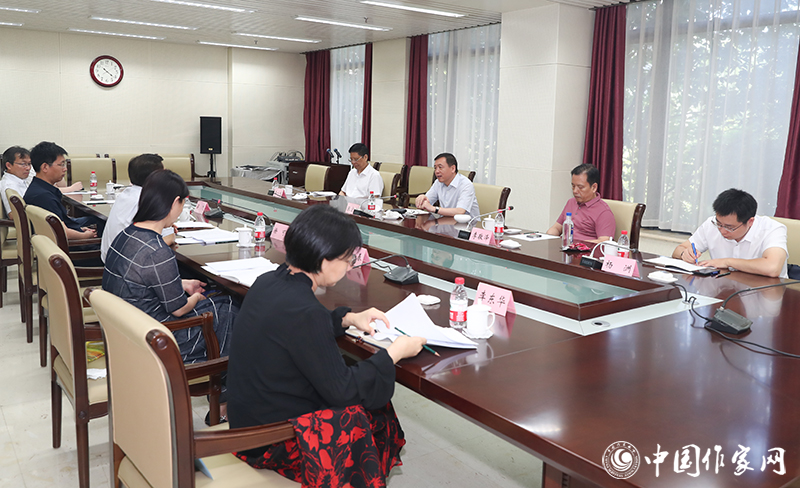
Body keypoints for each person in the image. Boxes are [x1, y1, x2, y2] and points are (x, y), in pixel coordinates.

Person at [227, 205, 426, 486]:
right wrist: (393, 353)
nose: (350, 266)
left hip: (247, 421)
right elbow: (343, 391)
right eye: (347, 259)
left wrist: (347, 318)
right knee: (370, 411)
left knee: (369, 390)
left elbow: (294, 331)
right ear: (323, 259)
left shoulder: (268, 282)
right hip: (273, 441)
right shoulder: (306, 311)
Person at [103, 170, 238, 421]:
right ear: (175, 202)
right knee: (230, 308)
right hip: (159, 337)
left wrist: (181, 283)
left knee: (220, 300)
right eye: (183, 203)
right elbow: (179, 309)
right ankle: (223, 404)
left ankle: (224, 396)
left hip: (130, 328)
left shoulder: (128, 235)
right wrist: (196, 298)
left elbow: (140, 279)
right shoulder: (157, 250)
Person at [673, 188, 788, 278]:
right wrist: (684, 254)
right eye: (719, 224)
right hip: (724, 288)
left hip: (767, 292)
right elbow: (678, 251)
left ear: (750, 222)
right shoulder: (711, 224)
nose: (722, 231)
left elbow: (772, 268)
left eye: (729, 227)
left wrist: (727, 262)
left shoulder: (772, 229)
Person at [100, 153, 174, 262]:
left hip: (110, 260)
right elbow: (159, 243)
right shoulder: (146, 201)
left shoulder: (126, 194)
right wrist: (171, 235)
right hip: (126, 265)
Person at [24, 142, 101, 240]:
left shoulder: (39, 188)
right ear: (45, 167)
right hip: (66, 246)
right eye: (61, 164)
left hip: (53, 241)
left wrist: (79, 229)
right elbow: (63, 233)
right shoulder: (43, 197)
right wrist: (85, 235)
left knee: (96, 220)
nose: (65, 169)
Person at [1, 145, 83, 218]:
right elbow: (13, 215)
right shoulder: (8, 185)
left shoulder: (22, 178)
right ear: (8, 165)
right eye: (23, 164)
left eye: (29, 164)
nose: (28, 168)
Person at [546, 164, 615, 243]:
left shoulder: (604, 212)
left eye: (580, 187)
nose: (575, 191)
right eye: (573, 186)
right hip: (564, 248)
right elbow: (557, 228)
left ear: (594, 187)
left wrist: (577, 245)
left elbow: (604, 242)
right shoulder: (571, 202)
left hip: (584, 249)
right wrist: (548, 237)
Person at [414, 153, 480, 218]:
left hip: (468, 223)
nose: (436, 171)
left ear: (453, 168)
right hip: (445, 221)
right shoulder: (438, 183)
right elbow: (427, 201)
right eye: (435, 168)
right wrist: (422, 199)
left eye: (440, 167)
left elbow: (460, 211)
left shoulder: (466, 184)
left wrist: (434, 209)